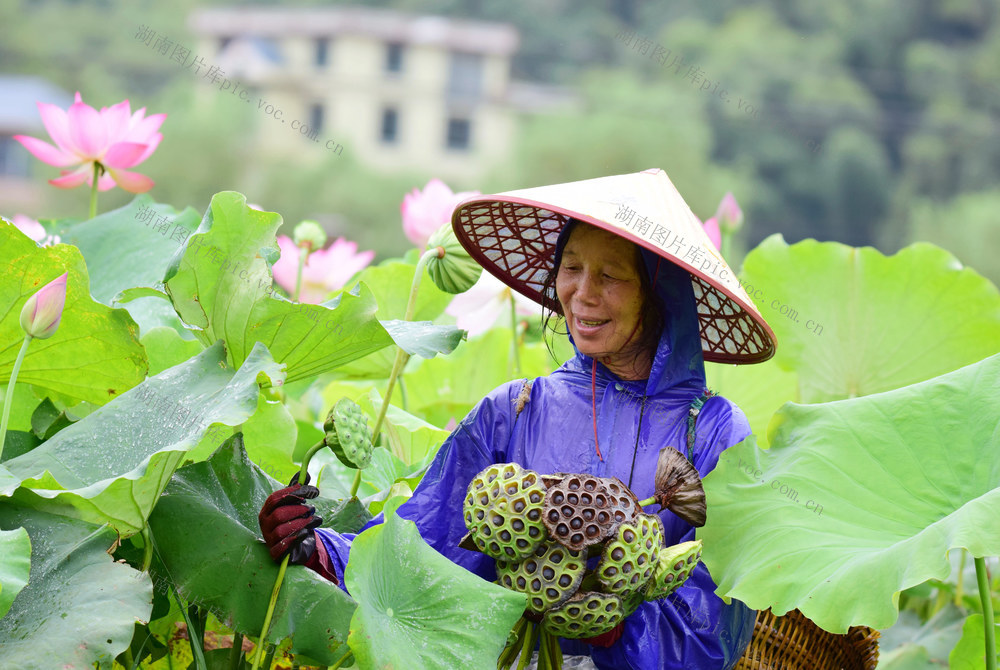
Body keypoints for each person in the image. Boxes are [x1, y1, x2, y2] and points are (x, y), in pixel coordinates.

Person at [259, 168, 777, 669]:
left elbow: (717, 627)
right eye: (571, 268)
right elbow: (422, 546)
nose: (582, 294)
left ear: (659, 292)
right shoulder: (513, 411)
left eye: (611, 275)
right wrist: (319, 549)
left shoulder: (713, 432)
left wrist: (614, 626)